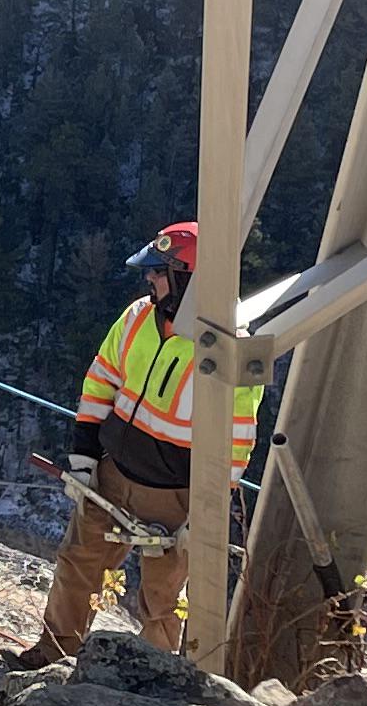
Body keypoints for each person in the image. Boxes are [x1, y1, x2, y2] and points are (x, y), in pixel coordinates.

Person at [31, 222, 262, 663]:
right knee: (79, 566)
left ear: (187, 280)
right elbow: (102, 379)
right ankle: (52, 657)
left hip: (175, 497)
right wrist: (83, 457)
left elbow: (236, 443)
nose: (149, 280)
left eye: (158, 272)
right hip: (113, 474)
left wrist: (205, 513)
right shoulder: (138, 316)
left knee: (163, 600)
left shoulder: (229, 350)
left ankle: (151, 684)